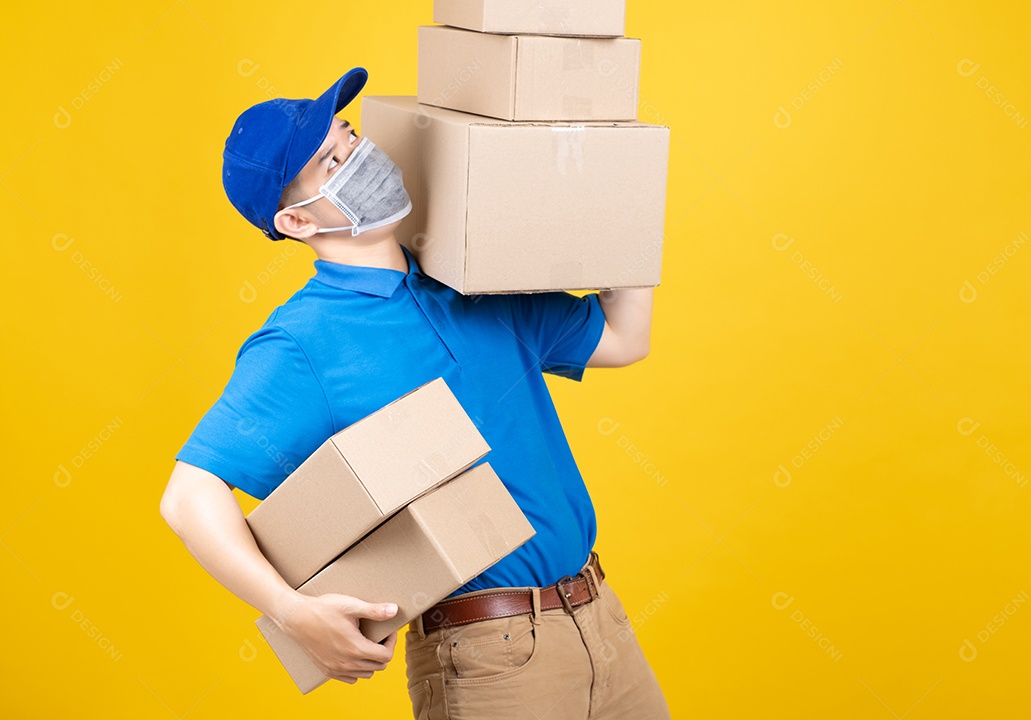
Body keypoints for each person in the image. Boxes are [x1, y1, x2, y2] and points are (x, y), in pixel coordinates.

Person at [159, 67, 671, 719]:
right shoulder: (306, 341)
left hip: (603, 618)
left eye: (350, 137)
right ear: (294, 219)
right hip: (493, 656)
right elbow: (188, 495)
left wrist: (623, 204)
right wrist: (292, 610)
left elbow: (625, 338)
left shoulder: (476, 282)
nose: (359, 156)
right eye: (331, 163)